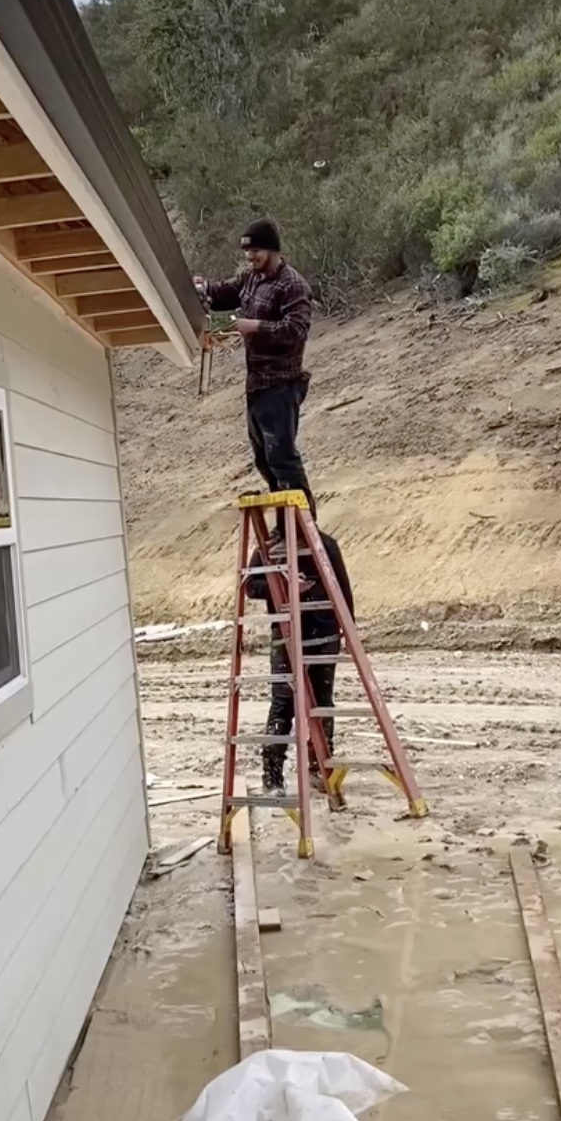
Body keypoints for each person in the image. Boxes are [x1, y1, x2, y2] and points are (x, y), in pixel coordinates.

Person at [195, 220, 315, 542]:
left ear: (272, 250)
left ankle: (304, 528)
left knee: (282, 458)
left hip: (282, 384)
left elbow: (295, 331)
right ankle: (285, 528)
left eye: (255, 251)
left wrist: (255, 326)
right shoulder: (251, 278)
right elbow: (224, 293)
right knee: (264, 459)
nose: (250, 258)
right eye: (247, 252)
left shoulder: (293, 286)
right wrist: (203, 288)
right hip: (256, 385)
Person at [245, 527, 355, 794]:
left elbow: (342, 587)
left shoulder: (325, 544)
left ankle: (320, 768)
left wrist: (349, 630)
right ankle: (273, 776)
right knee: (283, 704)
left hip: (323, 631)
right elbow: (251, 586)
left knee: (322, 704)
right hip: (286, 634)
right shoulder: (268, 548)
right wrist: (284, 584)